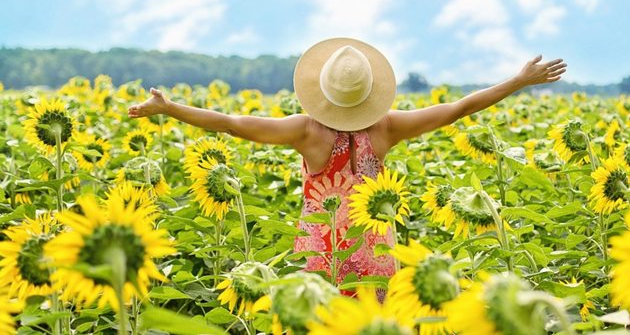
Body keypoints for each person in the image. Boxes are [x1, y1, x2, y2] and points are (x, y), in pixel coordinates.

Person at [128, 37, 566, 288]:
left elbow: (231, 123)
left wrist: (172, 109)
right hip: (377, 254)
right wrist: (518, 81)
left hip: (326, 255)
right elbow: (458, 108)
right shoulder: (388, 127)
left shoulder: (307, 131)